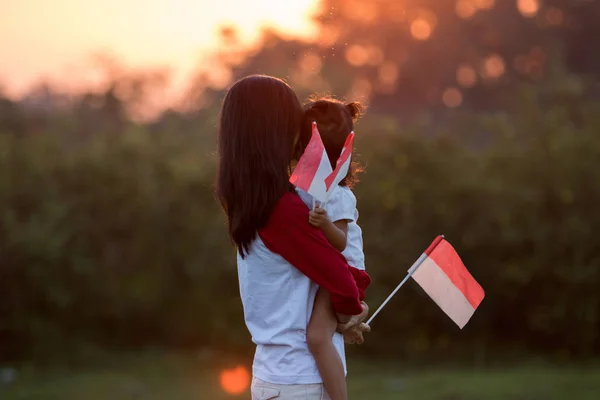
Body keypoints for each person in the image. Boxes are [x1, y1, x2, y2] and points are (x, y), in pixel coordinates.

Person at [216, 75, 370, 400]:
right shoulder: (282, 211)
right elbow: (340, 277)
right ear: (273, 132)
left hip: (278, 375)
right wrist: (352, 312)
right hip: (300, 381)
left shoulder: (251, 203)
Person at [295, 98, 370, 400]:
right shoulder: (306, 190)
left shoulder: (339, 196)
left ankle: (340, 397)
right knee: (333, 328)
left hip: (347, 273)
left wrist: (324, 223)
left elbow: (340, 241)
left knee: (316, 338)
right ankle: (351, 322)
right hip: (333, 270)